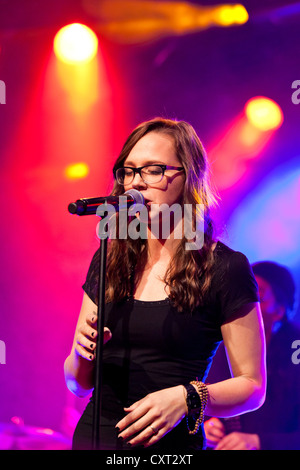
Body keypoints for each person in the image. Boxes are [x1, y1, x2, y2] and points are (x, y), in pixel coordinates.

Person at [64, 117, 266, 451]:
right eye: (128, 171)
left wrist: (188, 397)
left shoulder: (226, 268)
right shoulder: (109, 260)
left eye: (153, 169)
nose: (137, 183)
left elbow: (253, 387)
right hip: (95, 440)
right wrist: (82, 354)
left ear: (189, 177)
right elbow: (78, 383)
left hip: (169, 449)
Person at [204, 261, 300, 450]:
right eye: (241, 296)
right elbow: (198, 399)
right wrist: (205, 426)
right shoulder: (218, 346)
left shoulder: (294, 353)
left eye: (258, 297)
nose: (245, 306)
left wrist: (260, 442)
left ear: (281, 310)